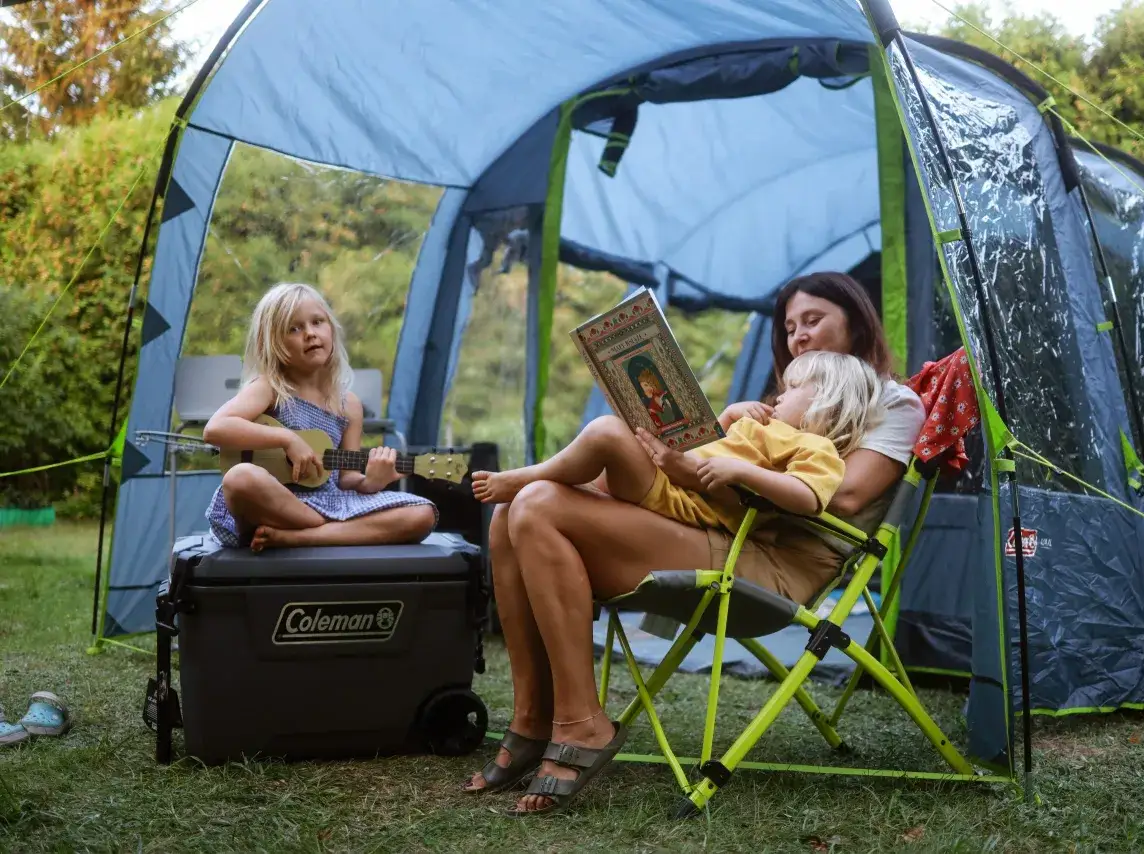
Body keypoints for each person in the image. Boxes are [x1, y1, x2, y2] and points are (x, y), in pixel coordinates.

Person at [463, 272, 925, 816]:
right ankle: (532, 716)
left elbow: (844, 498)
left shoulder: (893, 401)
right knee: (508, 515)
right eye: (790, 327)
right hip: (719, 526)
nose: (798, 335)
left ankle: (580, 722)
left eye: (814, 319)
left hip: (769, 559)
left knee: (537, 504)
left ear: (857, 319)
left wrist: (726, 466)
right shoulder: (782, 409)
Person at [472, 351, 885, 534]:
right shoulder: (761, 429)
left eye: (792, 389)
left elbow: (809, 497)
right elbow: (711, 451)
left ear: (827, 402)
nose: (778, 397)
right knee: (622, 425)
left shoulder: (817, 450)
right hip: (668, 480)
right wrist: (724, 419)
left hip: (681, 503)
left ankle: (527, 476)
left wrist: (744, 470)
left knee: (606, 431)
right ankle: (547, 483)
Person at [203, 282, 436, 552]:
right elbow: (216, 428)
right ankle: (330, 529)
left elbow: (346, 479)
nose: (310, 334)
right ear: (273, 342)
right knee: (239, 478)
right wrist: (287, 439)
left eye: (317, 322)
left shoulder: (348, 404)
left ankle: (301, 537)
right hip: (275, 502)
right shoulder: (270, 388)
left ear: (332, 330)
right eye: (294, 328)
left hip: (329, 501)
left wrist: (372, 481)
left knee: (422, 514)